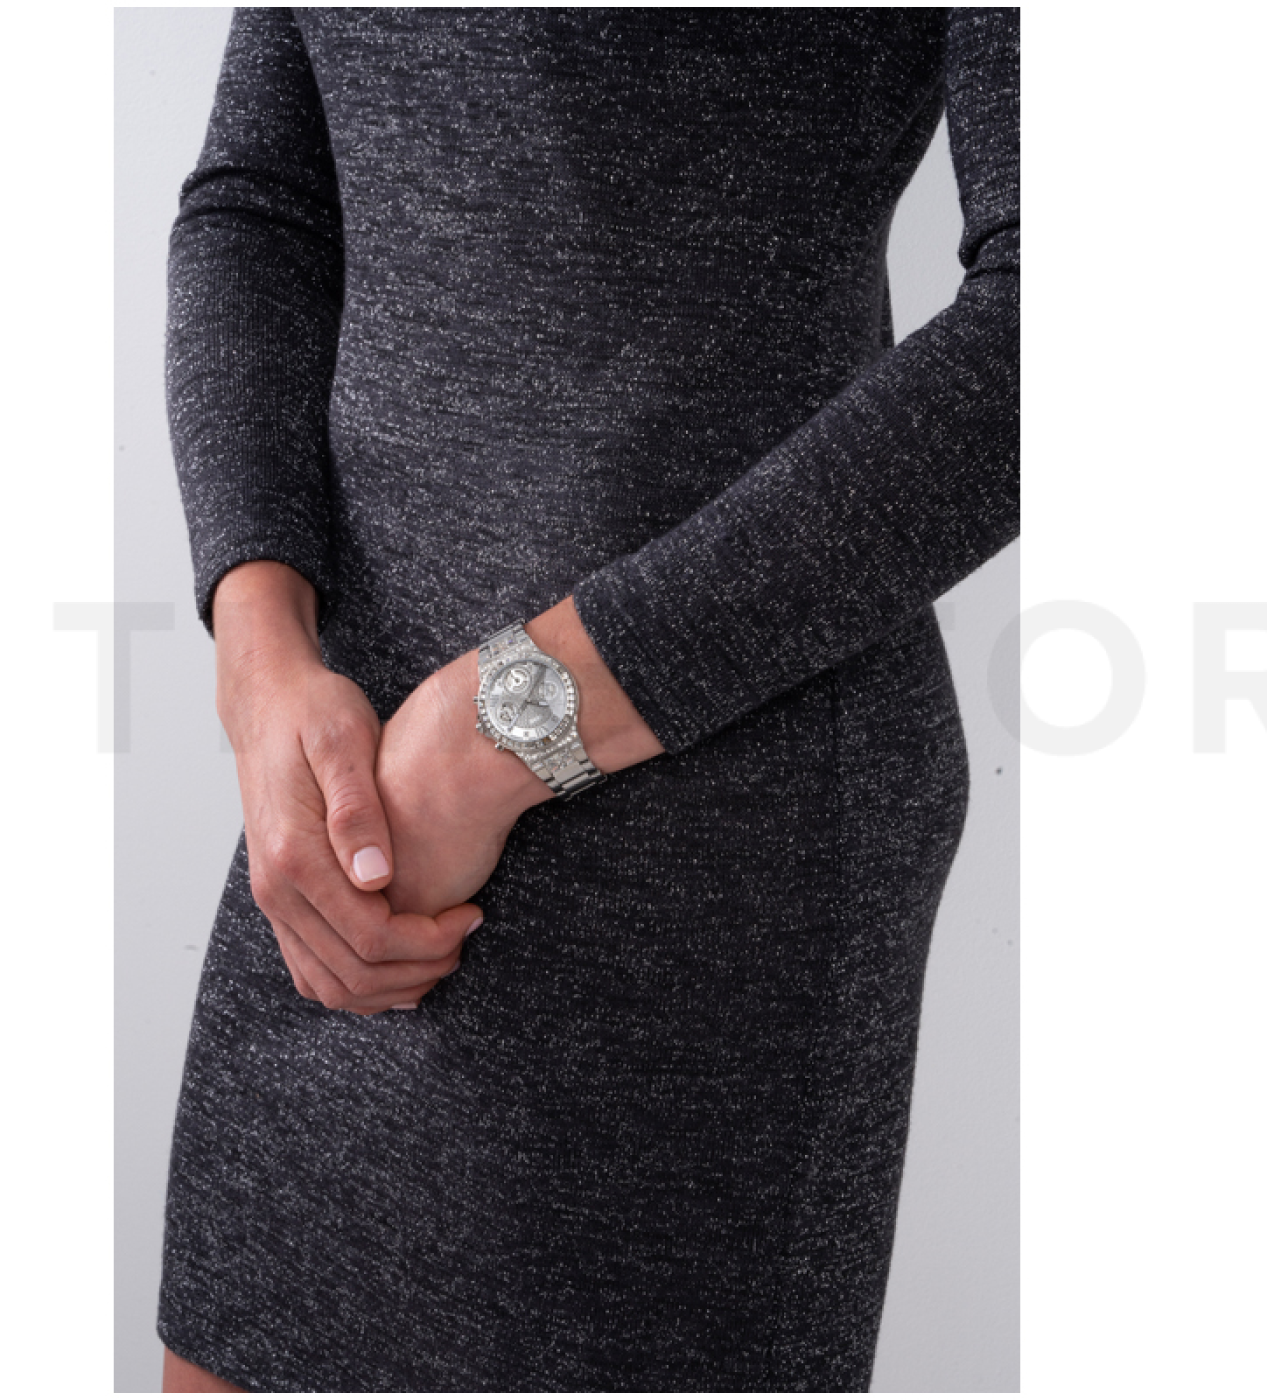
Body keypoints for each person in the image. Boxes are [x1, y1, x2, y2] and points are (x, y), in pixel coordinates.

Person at [157, 8, 1018, 1392]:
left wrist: (497, 736)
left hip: (708, 813)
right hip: (343, 806)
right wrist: (261, 663)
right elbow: (264, 200)